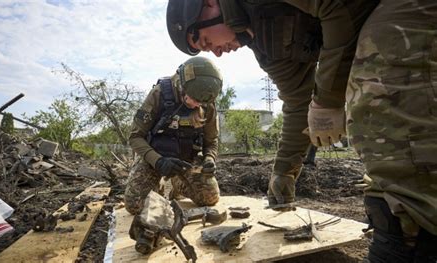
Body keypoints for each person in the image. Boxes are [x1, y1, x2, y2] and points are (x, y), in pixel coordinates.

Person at [166, 0, 437, 262]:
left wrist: (328, 99)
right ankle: (400, 221)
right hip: (367, 26)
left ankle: (413, 237)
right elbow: (298, 104)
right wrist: (284, 172)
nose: (215, 52)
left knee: (373, 92)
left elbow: (338, 7)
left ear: (210, 4)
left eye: (205, 41)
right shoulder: (265, 48)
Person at [124, 56, 222, 215]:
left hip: (186, 160)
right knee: (136, 205)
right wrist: (159, 161)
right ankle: (158, 186)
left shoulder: (207, 102)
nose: (197, 105)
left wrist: (210, 158)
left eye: (201, 103)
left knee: (209, 198)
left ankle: (178, 184)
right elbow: (135, 137)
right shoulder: (159, 94)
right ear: (181, 86)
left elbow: (212, 141)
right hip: (155, 158)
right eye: (194, 99)